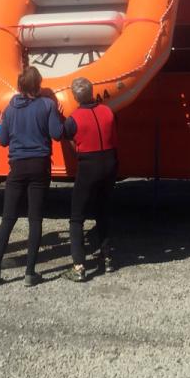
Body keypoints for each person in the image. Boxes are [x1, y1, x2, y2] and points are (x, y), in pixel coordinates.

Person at [0, 67, 64, 288]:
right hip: (39, 164)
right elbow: (57, 134)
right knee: (35, 218)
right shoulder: (47, 105)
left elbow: (2, 141)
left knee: (8, 218)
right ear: (38, 84)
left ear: (20, 85)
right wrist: (58, 114)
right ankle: (30, 272)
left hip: (17, 165)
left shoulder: (10, 108)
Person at [61, 77, 119, 282]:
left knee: (77, 217)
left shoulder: (74, 118)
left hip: (88, 166)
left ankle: (79, 266)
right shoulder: (108, 111)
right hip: (110, 163)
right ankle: (108, 257)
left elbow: (62, 134)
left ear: (75, 96)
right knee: (102, 211)